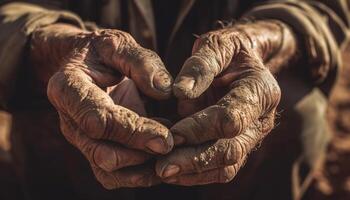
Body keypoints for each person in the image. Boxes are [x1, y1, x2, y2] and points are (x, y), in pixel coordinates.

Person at [0, 0, 349, 199]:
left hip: (222, 122)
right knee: (54, 96)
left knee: (296, 104)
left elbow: (320, 10)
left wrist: (258, 41)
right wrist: (63, 49)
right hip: (79, 144)